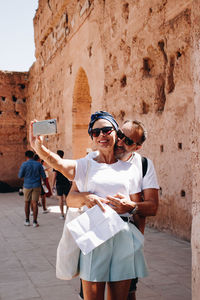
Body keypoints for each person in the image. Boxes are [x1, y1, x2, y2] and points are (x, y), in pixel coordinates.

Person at [29, 111, 148, 300]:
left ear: (116, 133)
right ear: (92, 136)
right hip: (94, 236)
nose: (101, 135)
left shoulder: (131, 168)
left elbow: (138, 208)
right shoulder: (85, 164)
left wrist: (138, 241)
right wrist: (40, 149)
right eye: (96, 132)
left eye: (107, 130)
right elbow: (59, 166)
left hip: (124, 237)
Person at [75, 120, 159, 300]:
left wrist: (132, 207)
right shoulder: (92, 159)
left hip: (126, 241)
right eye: (120, 135)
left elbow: (152, 206)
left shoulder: (143, 165)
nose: (120, 142)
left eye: (128, 141)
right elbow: (72, 192)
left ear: (137, 147)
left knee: (127, 294)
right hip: (94, 238)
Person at [18, 150, 46, 227]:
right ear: (33, 156)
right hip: (36, 185)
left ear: (26, 156)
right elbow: (44, 176)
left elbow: (20, 176)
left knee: (27, 203)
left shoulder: (24, 164)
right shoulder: (38, 164)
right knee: (35, 203)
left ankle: (27, 220)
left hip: (27, 185)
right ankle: (35, 221)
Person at [52, 150, 72, 220]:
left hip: (59, 184)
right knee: (67, 199)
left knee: (60, 199)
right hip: (66, 183)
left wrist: (52, 185)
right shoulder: (66, 163)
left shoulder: (56, 164)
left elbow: (54, 175)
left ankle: (62, 214)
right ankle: (68, 213)